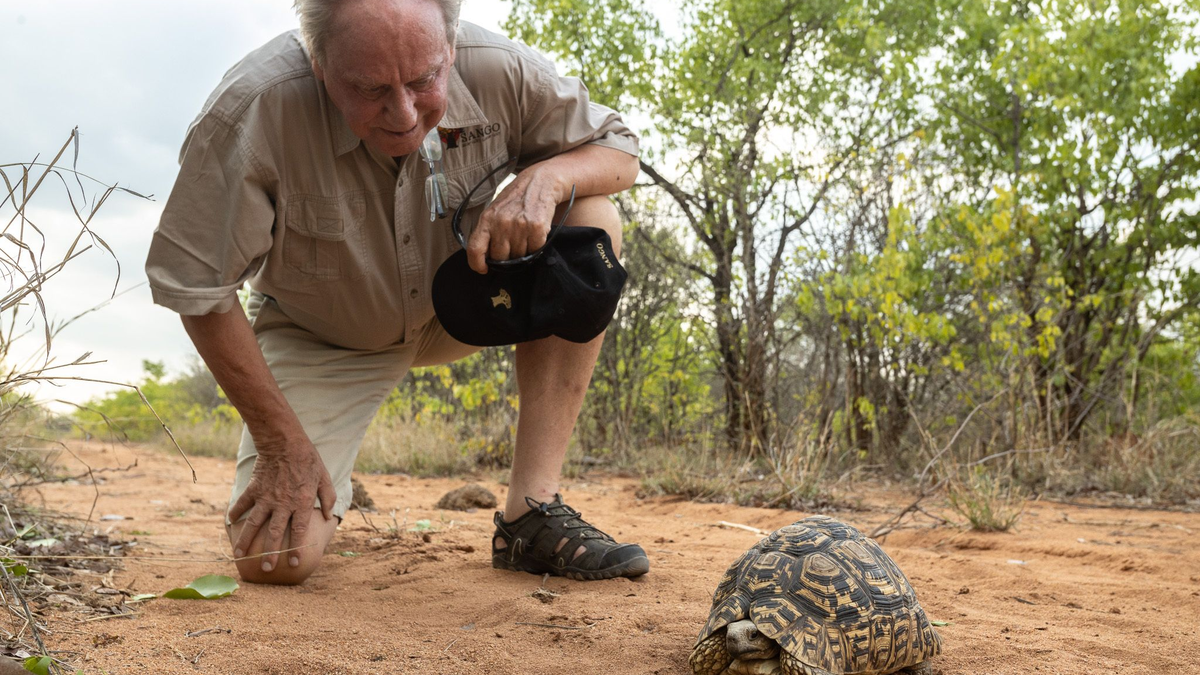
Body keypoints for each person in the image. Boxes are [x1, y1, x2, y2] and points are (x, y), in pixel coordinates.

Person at [145, 0, 648, 585]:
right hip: (325, 332)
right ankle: (327, 471)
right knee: (274, 560)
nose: (404, 113)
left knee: (590, 215)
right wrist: (282, 442)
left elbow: (618, 146)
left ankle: (531, 514)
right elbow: (195, 287)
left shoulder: (499, 68)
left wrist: (549, 176)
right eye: (370, 87)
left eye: (423, 80)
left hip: (469, 305)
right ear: (318, 61)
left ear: (450, 48)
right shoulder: (252, 108)